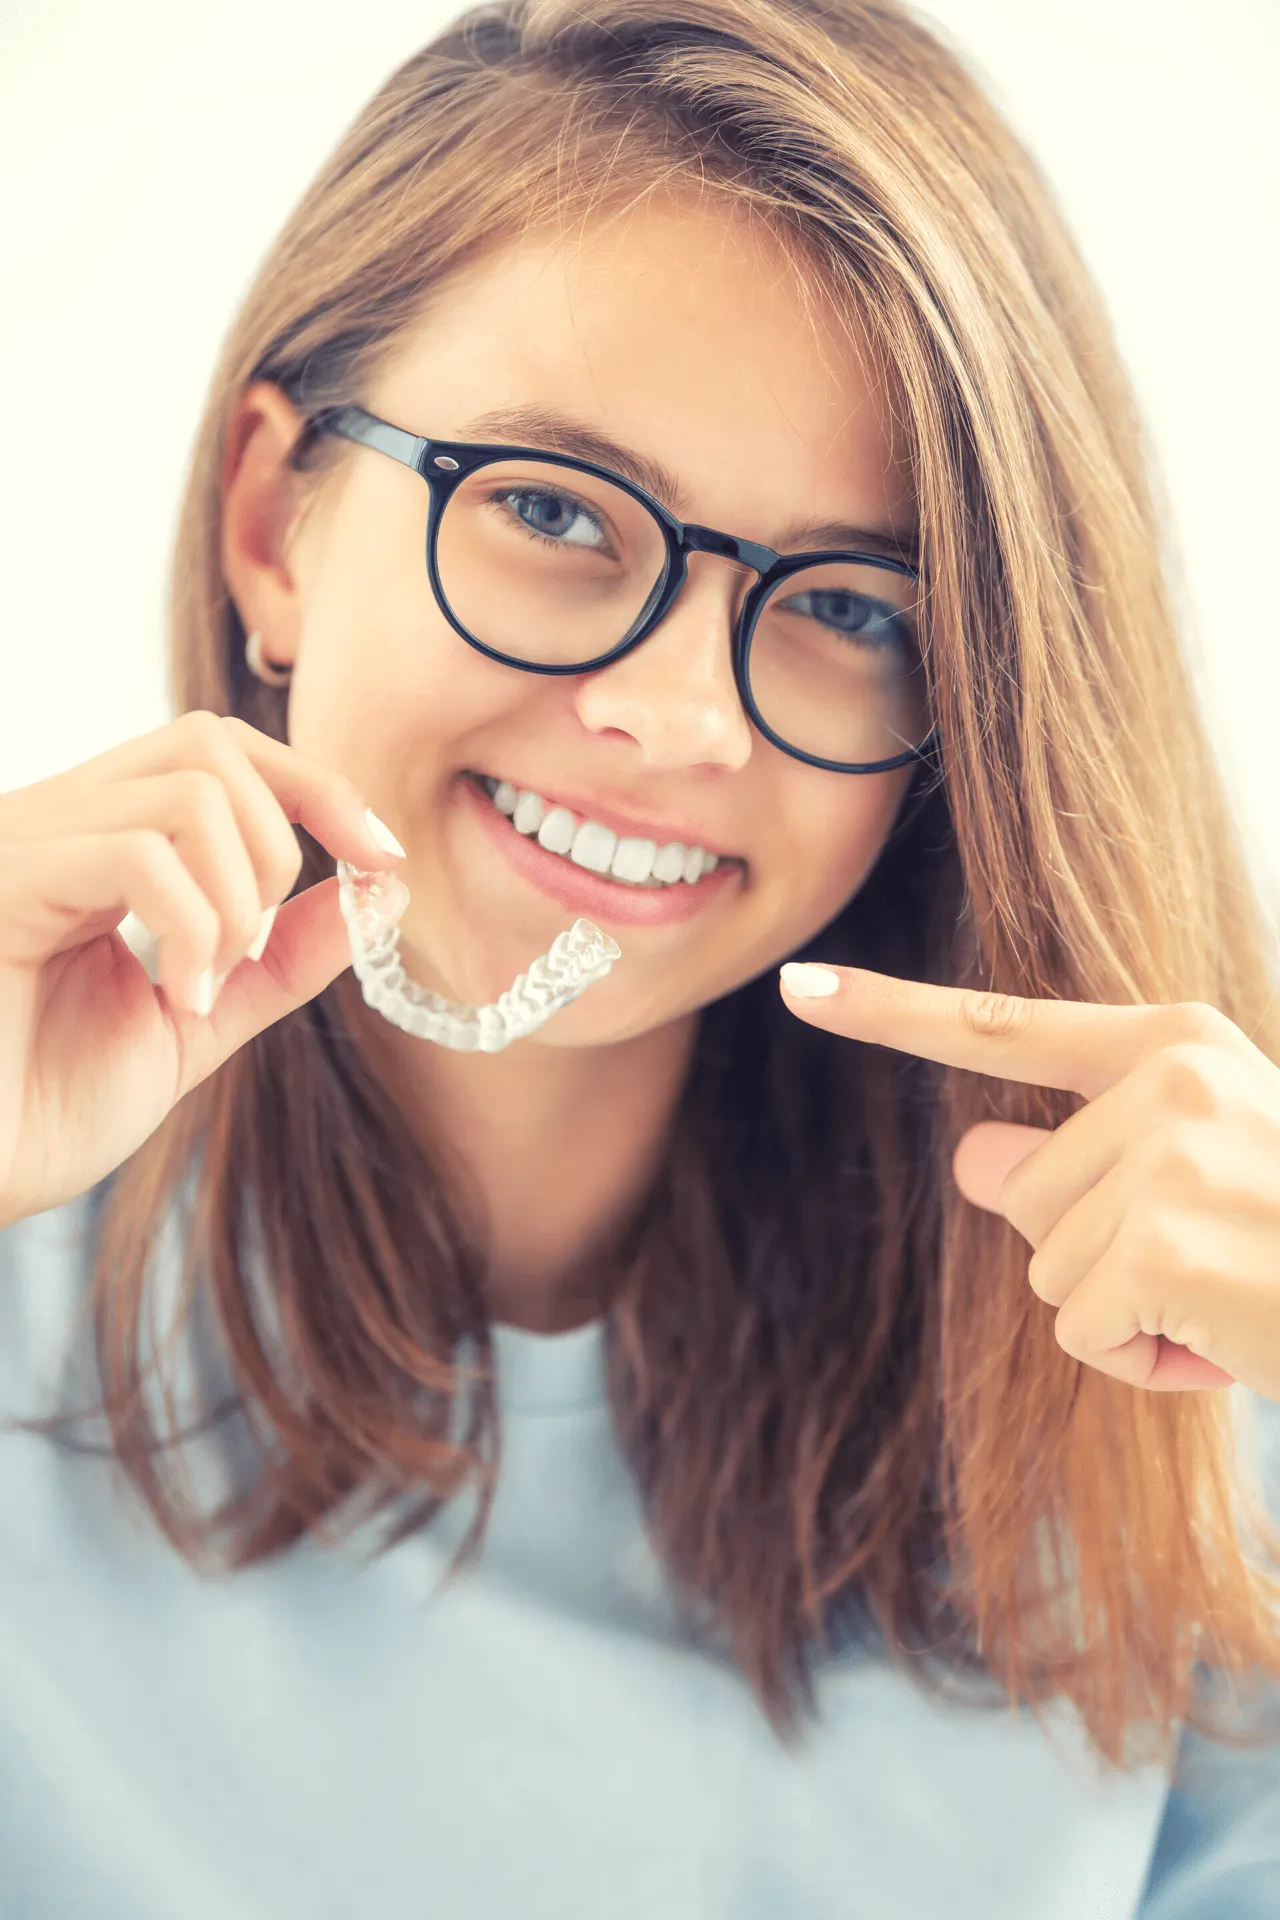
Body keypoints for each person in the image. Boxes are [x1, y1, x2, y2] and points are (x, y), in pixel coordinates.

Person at [1, 0, 1278, 1911]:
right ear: (276, 525)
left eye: (851, 604)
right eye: (548, 511)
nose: (680, 717)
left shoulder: (1172, 1356)